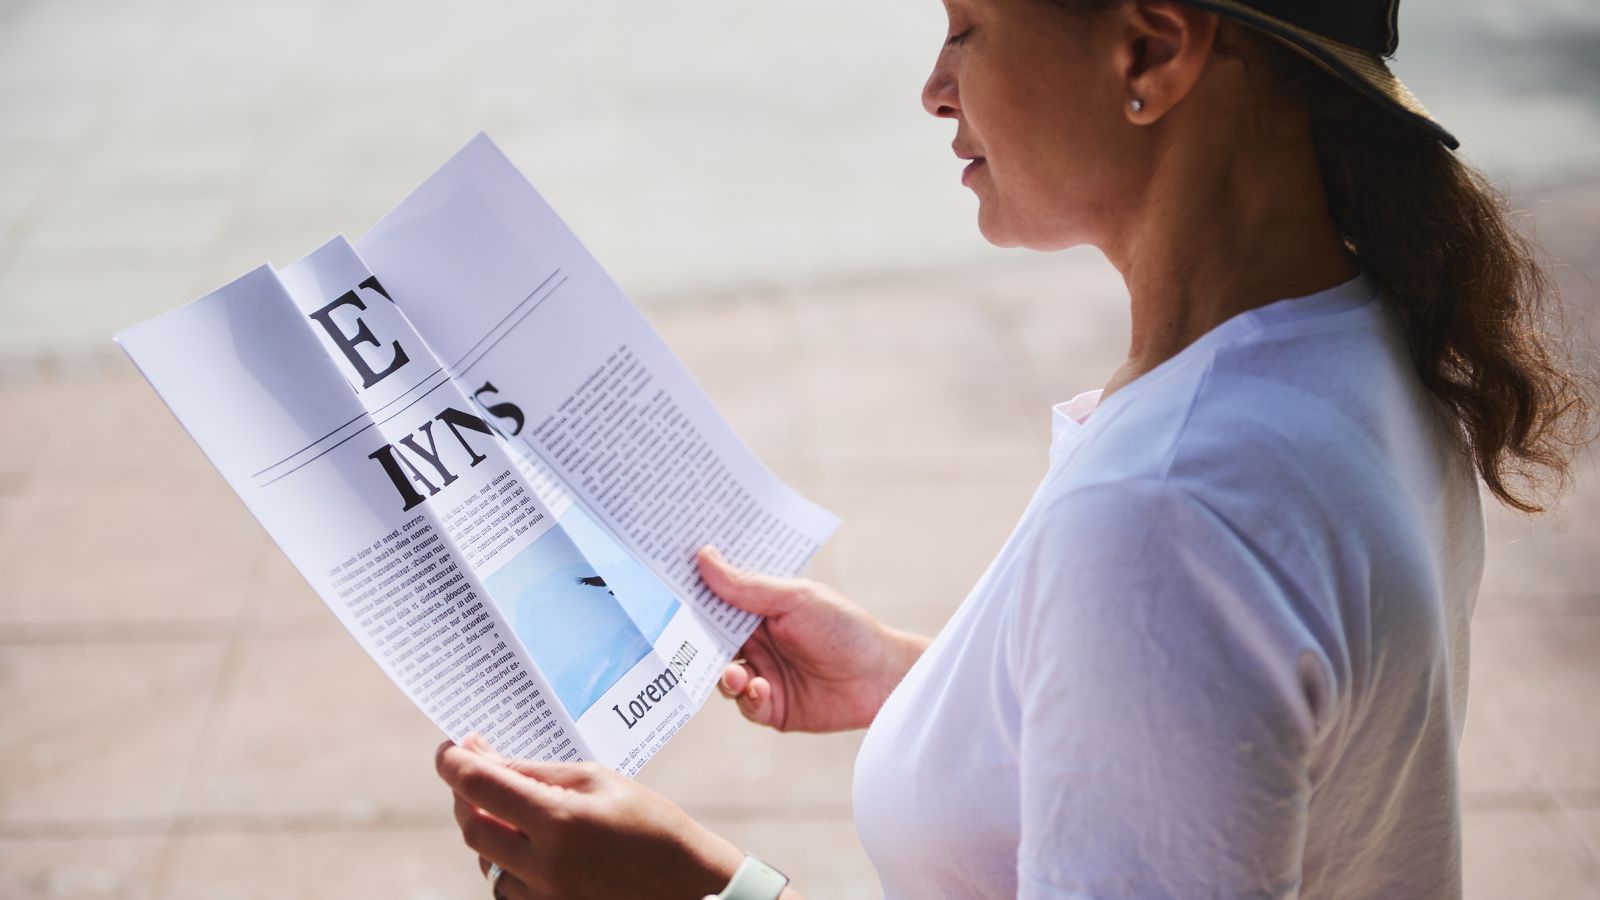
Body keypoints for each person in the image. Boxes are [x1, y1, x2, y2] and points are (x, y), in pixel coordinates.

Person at [434, 0, 1593, 897]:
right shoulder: (1357, 344)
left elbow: (1187, 614)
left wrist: (699, 888)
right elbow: (1221, 725)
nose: (934, 87)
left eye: (967, 26)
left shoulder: (1173, 514)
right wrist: (929, 683)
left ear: (1149, 51)